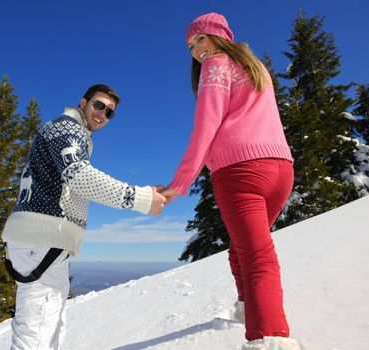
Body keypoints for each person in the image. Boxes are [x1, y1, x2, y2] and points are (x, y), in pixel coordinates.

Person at [160, 13, 302, 350]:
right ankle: (245, 308)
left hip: (240, 171)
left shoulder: (216, 65)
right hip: (280, 168)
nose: (196, 50)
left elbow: (206, 127)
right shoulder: (256, 68)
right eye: (191, 46)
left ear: (218, 36)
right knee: (241, 250)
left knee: (256, 256)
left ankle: (269, 337)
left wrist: (179, 183)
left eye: (200, 40)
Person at [1, 83, 166, 350]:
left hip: (42, 243)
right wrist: (140, 198)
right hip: (42, 240)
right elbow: (79, 175)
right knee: (37, 332)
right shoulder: (68, 127)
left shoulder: (69, 132)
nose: (102, 113)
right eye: (98, 105)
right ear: (83, 102)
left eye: (109, 112)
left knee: (46, 327)